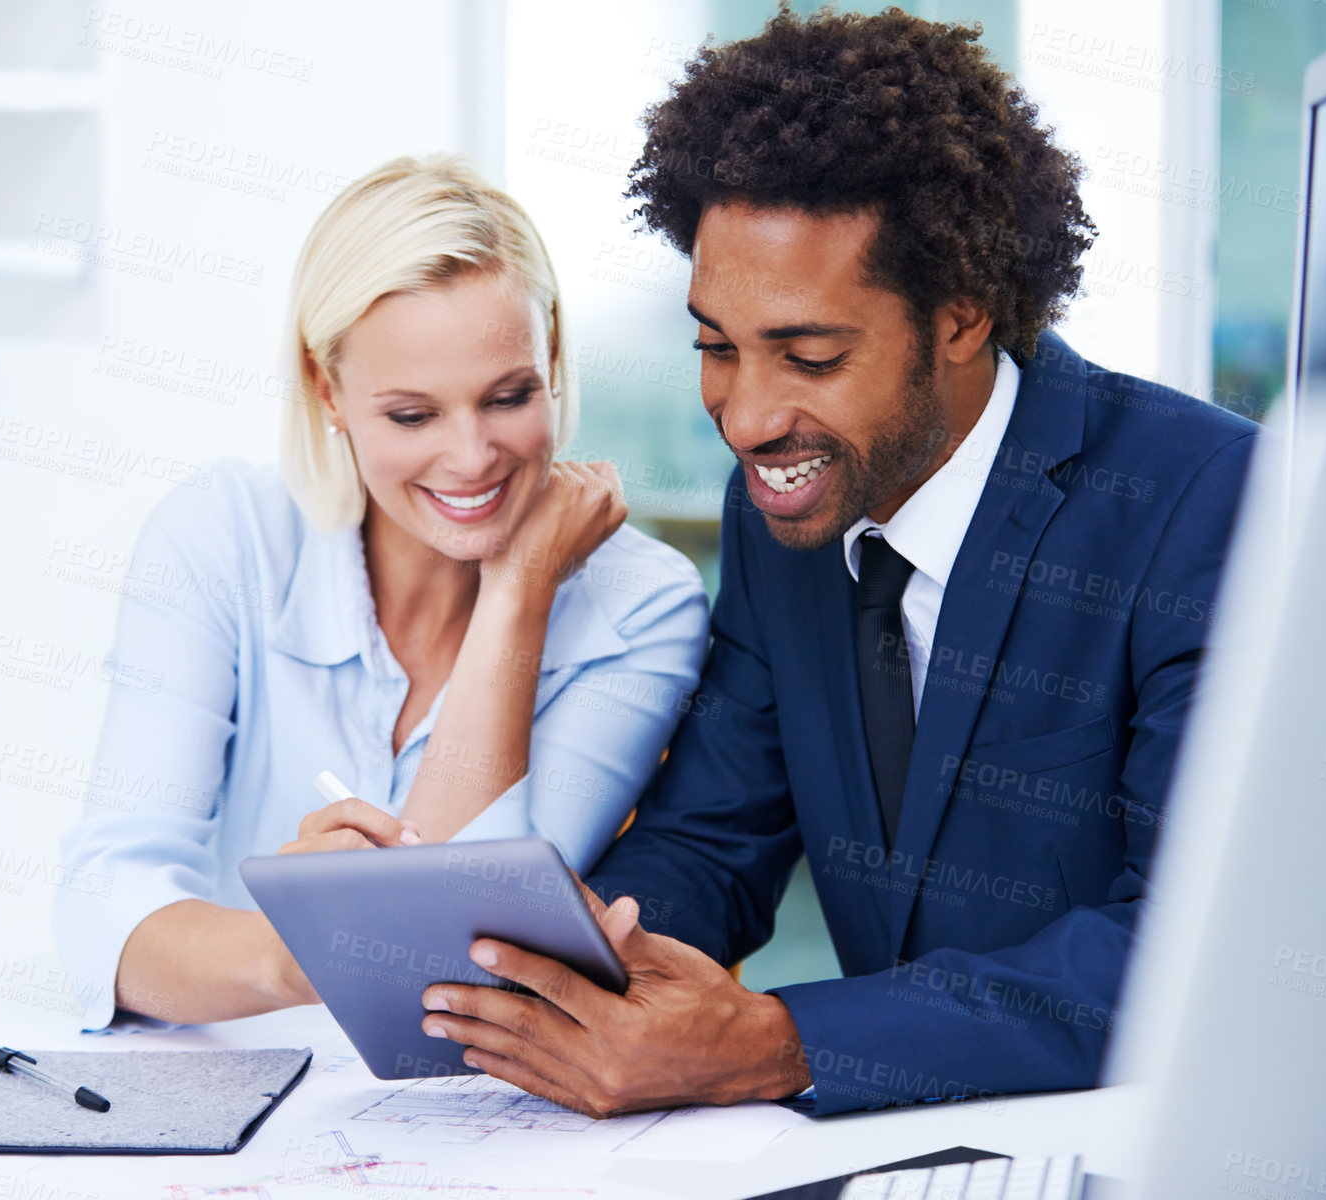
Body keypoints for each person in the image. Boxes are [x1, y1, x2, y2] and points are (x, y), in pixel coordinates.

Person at [415, 8, 1259, 1116]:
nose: (748, 417)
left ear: (963, 317)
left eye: (809, 355)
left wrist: (780, 1043)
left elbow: (1193, 946)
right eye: (716, 346)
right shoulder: (787, 510)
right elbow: (714, 838)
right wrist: (573, 971)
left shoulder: (1206, 503)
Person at [53, 155, 709, 1032]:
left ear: (551, 358)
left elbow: (461, 937)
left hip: (481, 1116)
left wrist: (517, 588)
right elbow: (105, 914)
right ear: (326, 388)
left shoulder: (641, 604)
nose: (472, 457)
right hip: (237, 1100)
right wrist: (291, 955)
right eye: (412, 415)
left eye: (508, 397)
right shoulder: (219, 538)